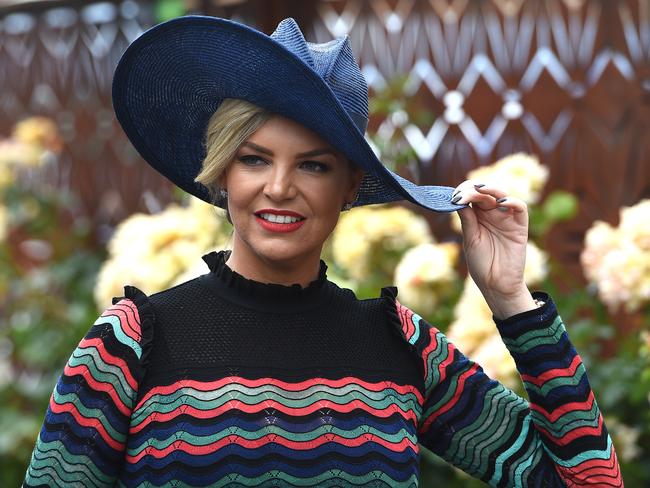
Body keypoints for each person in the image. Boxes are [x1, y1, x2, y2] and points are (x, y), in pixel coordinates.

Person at [23, 15, 622, 488]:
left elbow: (586, 480)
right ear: (222, 173)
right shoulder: (131, 343)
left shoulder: (401, 345)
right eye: (254, 158)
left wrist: (512, 300)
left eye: (313, 165)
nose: (279, 187)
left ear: (349, 188)